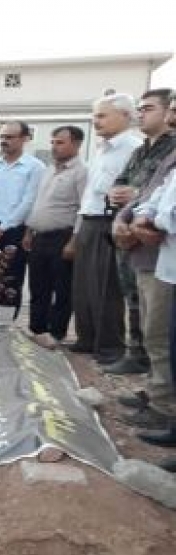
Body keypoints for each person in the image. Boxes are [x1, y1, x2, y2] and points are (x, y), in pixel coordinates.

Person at [114, 91, 176, 428]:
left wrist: (147, 220)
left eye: (149, 108)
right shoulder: (151, 153)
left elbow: (164, 207)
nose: (171, 118)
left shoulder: (170, 148)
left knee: (159, 334)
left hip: (162, 253)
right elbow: (151, 193)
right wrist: (128, 219)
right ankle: (156, 392)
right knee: (151, 329)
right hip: (147, 251)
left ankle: (164, 405)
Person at [67, 94, 142, 365]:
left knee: (106, 288)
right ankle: (87, 339)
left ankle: (110, 346)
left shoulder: (135, 148)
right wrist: (77, 231)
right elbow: (90, 193)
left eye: (102, 115)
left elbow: (143, 188)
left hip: (111, 221)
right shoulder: (101, 149)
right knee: (84, 286)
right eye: (94, 115)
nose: (95, 121)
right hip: (89, 221)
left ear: (125, 115)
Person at [23, 126, 88, 341]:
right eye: (53, 142)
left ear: (76, 144)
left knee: (62, 289)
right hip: (39, 237)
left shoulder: (82, 172)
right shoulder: (48, 170)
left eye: (60, 142)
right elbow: (38, 203)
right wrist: (29, 231)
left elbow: (83, 209)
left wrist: (74, 241)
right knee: (38, 287)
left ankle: (56, 333)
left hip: (63, 238)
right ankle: (37, 329)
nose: (54, 147)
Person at [129, 165, 176, 459]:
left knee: (161, 339)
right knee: (160, 339)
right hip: (167, 268)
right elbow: (155, 200)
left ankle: (164, 409)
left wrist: (154, 220)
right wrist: (144, 217)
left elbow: (168, 216)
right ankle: (168, 416)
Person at [0, 121, 45, 318]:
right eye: (2, 137)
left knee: (11, 280)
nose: (4, 141)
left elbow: (29, 201)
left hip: (16, 230)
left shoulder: (35, 167)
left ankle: (4, 324)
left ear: (25, 139)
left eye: (9, 137)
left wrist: (4, 227)